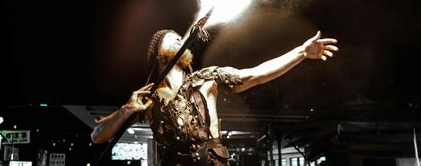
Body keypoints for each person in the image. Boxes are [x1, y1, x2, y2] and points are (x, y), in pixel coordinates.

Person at [91, 29, 339, 165]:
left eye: (182, 37)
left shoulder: (206, 79)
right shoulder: (148, 98)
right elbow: (97, 136)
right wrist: (126, 110)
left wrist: (300, 53)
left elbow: (255, 75)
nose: (181, 39)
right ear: (158, 52)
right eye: (174, 38)